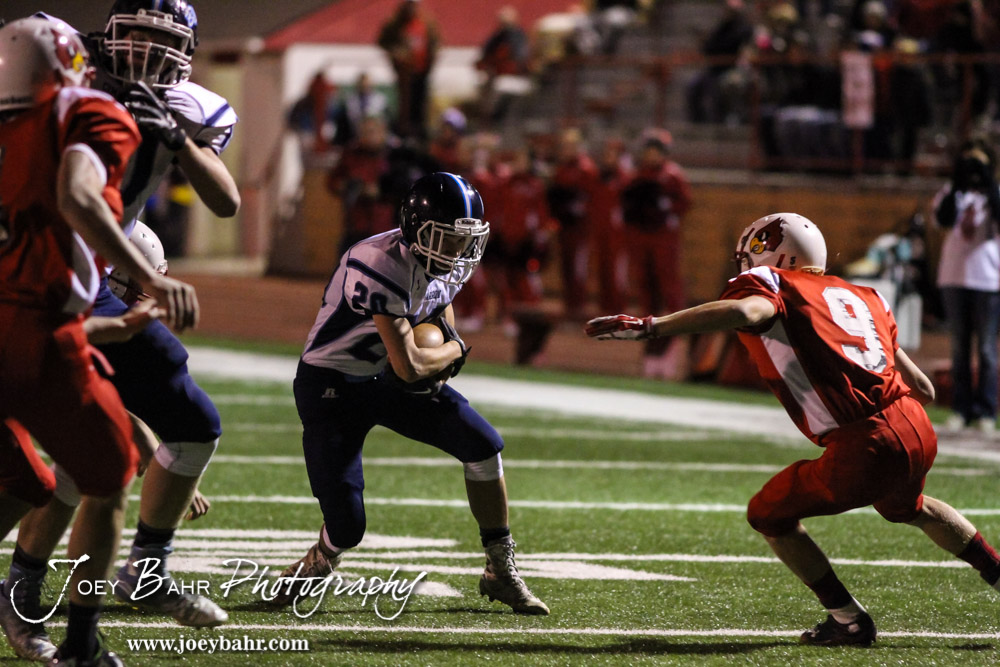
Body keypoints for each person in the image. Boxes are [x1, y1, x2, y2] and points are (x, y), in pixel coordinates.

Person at [587, 212, 1000, 646]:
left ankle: (848, 619)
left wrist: (653, 327)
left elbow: (746, 309)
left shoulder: (773, 284)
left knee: (768, 513)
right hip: (914, 423)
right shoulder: (862, 295)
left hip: (865, 440)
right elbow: (925, 389)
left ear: (773, 255)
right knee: (910, 507)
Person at [3, 1, 239, 656]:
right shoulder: (75, 96)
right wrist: (149, 278)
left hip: (73, 283)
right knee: (52, 469)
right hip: (41, 285)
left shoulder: (163, 106)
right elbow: (78, 195)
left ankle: (126, 577)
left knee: (153, 431)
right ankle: (33, 597)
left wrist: (177, 140)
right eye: (134, 35)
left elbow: (225, 200)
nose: (146, 53)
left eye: (164, 41)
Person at [272, 173, 548, 616]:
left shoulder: (445, 260)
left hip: (383, 379)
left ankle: (499, 567)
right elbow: (410, 366)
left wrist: (445, 340)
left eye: (464, 240)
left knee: (483, 446)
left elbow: (438, 306)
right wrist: (455, 349)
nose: (457, 250)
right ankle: (319, 558)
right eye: (447, 238)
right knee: (347, 527)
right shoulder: (379, 263)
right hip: (332, 386)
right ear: (417, 229)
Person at [933, 138, 1000, 433]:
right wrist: (957, 183)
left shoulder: (996, 193)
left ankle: (986, 410)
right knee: (959, 347)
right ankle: (961, 409)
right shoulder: (952, 192)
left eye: (978, 162)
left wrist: (989, 184)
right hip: (954, 277)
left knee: (986, 348)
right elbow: (943, 219)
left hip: (988, 278)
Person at [378, 0, 440, 141]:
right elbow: (383, 42)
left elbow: (435, 42)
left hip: (422, 71)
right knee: (405, 105)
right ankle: (404, 133)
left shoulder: (426, 23)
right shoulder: (395, 24)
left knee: (421, 103)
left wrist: (433, 56)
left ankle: (420, 133)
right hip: (405, 73)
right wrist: (396, 53)